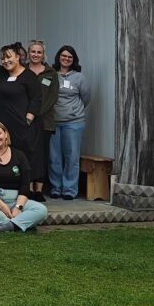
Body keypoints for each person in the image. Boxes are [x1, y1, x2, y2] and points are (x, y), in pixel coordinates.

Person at [0, 121, 48, 233]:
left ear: (6, 134)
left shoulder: (19, 155)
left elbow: (25, 185)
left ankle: (7, 226)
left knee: (41, 210)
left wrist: (18, 207)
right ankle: (21, 224)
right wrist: (1, 205)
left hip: (16, 199)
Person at [0, 43, 42, 184]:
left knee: (20, 157)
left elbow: (36, 99)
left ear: (18, 57)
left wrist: (28, 120)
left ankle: (23, 188)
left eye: (9, 57)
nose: (5, 61)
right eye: (3, 58)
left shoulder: (29, 76)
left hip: (19, 127)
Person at [49, 45, 90, 200]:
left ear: (73, 60)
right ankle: (55, 188)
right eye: (63, 56)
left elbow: (86, 97)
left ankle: (69, 190)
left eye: (69, 57)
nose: (66, 59)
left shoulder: (79, 77)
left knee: (72, 157)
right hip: (53, 122)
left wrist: (73, 111)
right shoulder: (51, 75)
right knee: (54, 157)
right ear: (59, 57)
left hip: (74, 122)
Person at [27, 40, 60, 201]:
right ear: (28, 53)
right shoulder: (23, 71)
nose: (35, 54)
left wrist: (35, 113)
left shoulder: (51, 73)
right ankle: (28, 188)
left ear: (43, 54)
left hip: (44, 121)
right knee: (27, 154)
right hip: (25, 122)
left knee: (41, 155)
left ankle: (39, 190)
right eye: (33, 51)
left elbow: (52, 97)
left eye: (39, 52)